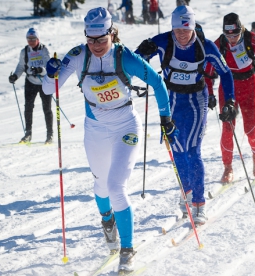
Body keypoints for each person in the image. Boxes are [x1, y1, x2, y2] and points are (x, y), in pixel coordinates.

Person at [42, 7, 177, 273]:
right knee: (100, 184)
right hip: (95, 130)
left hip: (126, 125)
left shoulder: (125, 56)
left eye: (101, 41)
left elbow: (158, 83)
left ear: (111, 34)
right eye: (91, 41)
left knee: (116, 186)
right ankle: (107, 221)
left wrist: (165, 118)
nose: (96, 47)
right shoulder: (78, 56)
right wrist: (50, 73)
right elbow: (49, 89)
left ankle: (127, 249)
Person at [135, 6, 236, 224]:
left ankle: (199, 204)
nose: (181, 34)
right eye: (177, 29)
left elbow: (225, 72)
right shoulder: (163, 41)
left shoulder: (205, 46)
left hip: (196, 100)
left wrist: (230, 101)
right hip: (170, 99)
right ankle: (187, 193)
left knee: (192, 150)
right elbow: (134, 60)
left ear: (192, 26)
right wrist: (141, 52)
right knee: (177, 150)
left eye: (186, 29)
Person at [205, 13, 255, 183]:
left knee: (250, 130)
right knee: (228, 129)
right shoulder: (219, 44)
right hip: (228, 88)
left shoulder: (251, 39)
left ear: (240, 30)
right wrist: (210, 94)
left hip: (248, 85)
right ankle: (228, 167)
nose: (232, 39)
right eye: (228, 35)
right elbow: (207, 73)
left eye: (235, 35)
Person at [9, 28, 53, 144]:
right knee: (28, 108)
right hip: (30, 82)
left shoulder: (44, 50)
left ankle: (50, 135)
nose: (31, 41)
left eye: (33, 39)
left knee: (47, 108)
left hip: (44, 82)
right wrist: (15, 76)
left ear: (38, 39)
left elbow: (49, 67)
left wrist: (40, 70)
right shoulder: (25, 51)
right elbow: (21, 66)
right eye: (29, 39)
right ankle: (28, 134)